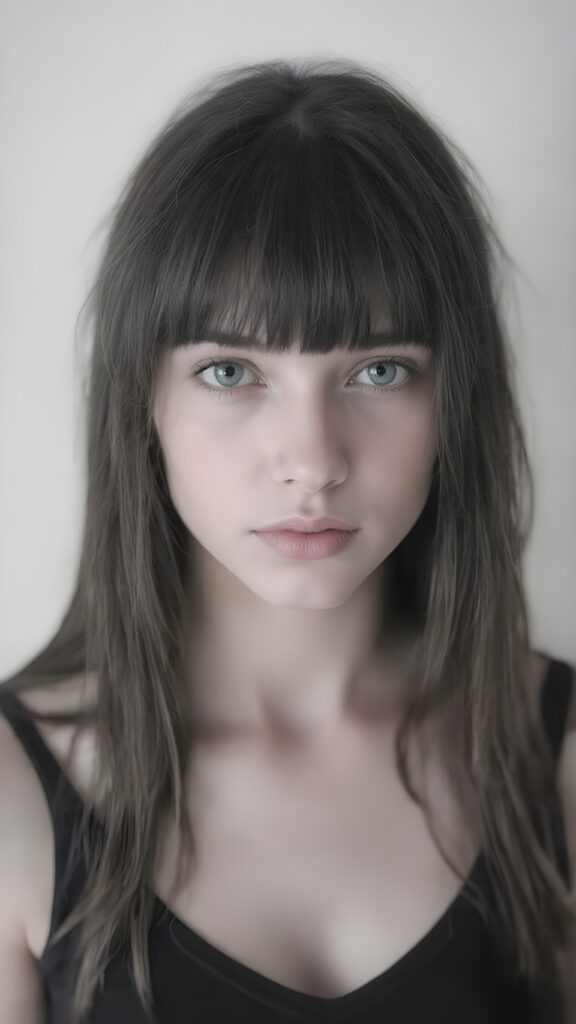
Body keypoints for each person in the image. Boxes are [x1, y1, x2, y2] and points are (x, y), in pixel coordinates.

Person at [0, 57, 574, 1024]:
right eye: (231, 372)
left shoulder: (554, 762)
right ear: (143, 405)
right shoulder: (13, 797)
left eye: (381, 370)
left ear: (454, 401)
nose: (312, 460)